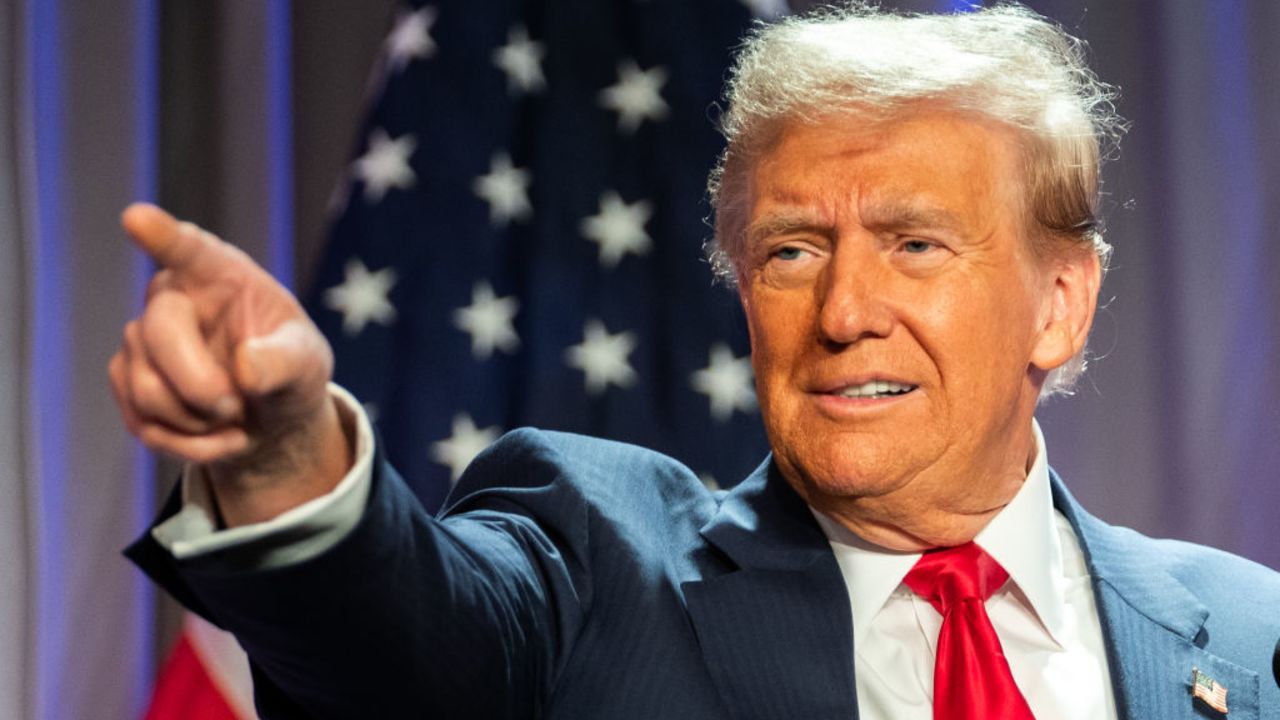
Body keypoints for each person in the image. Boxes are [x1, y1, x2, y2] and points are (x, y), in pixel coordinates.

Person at [117, 4, 1280, 719]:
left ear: (1059, 305)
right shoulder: (593, 571)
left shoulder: (1248, 637)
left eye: (914, 245)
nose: (841, 311)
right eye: (789, 250)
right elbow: (405, 641)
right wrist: (282, 456)